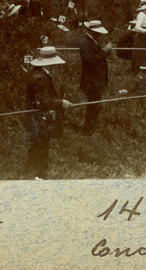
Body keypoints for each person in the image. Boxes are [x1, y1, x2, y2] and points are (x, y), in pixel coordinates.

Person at [24, 47, 74, 179]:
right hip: (39, 118)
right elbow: (42, 102)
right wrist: (61, 103)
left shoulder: (37, 73)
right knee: (40, 147)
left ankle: (29, 173)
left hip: (37, 118)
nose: (55, 66)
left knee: (37, 146)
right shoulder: (40, 78)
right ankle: (38, 176)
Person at [77, 20, 111, 133]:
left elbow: (97, 55)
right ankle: (88, 130)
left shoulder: (91, 41)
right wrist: (105, 51)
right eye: (98, 32)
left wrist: (105, 51)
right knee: (93, 105)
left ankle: (91, 128)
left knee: (95, 104)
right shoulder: (86, 43)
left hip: (95, 80)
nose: (100, 35)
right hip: (92, 80)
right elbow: (90, 60)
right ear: (93, 32)